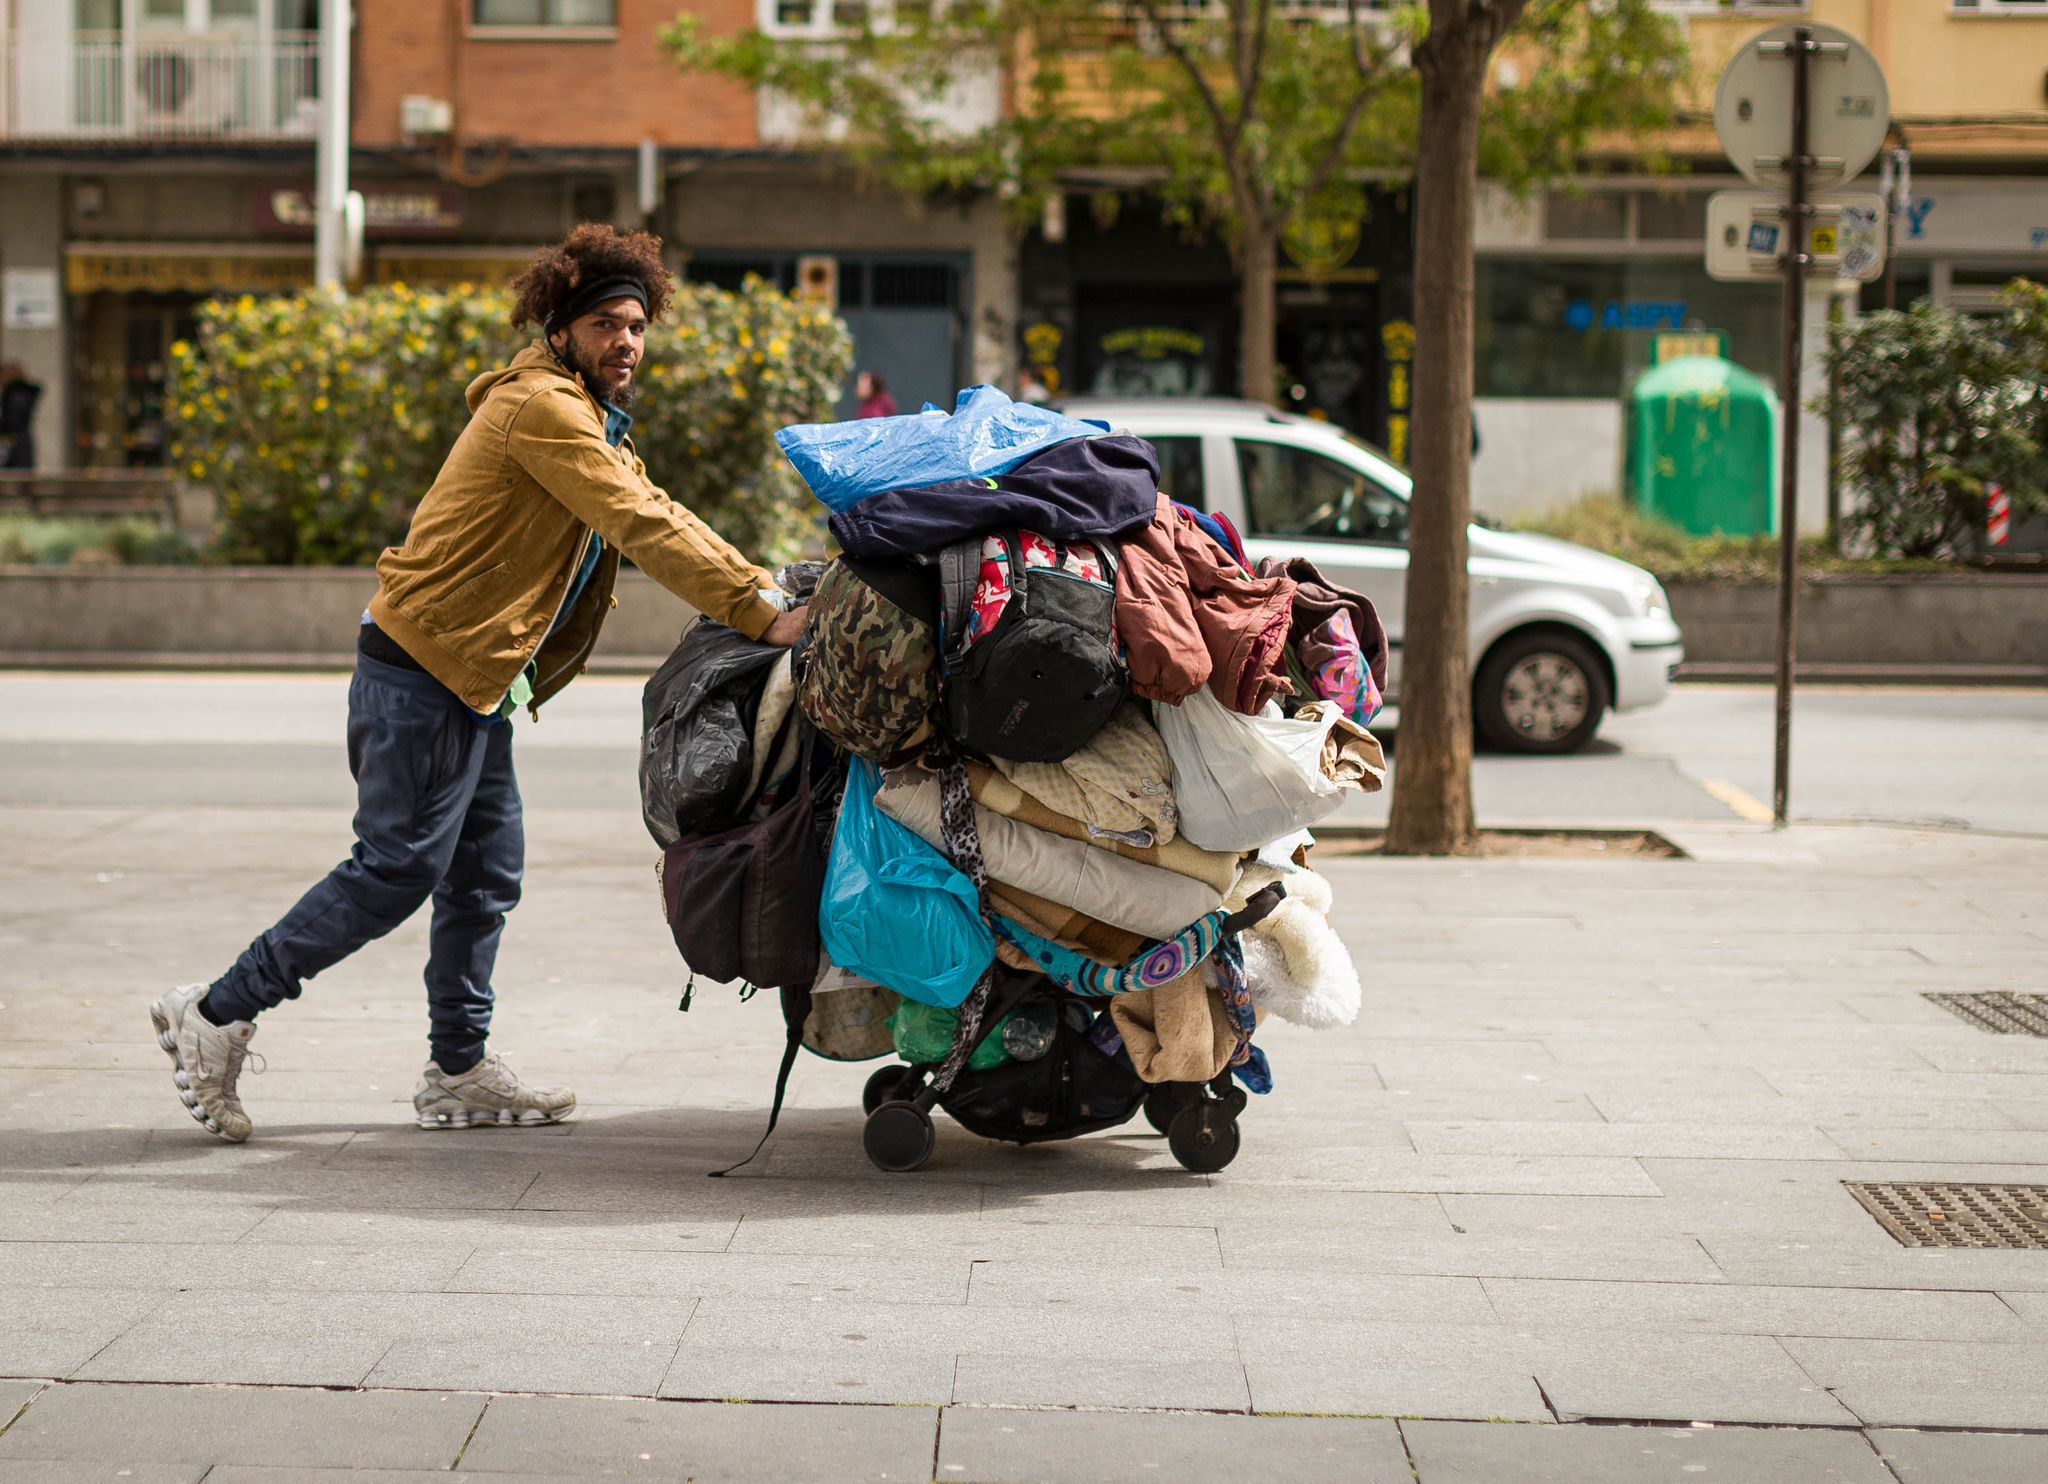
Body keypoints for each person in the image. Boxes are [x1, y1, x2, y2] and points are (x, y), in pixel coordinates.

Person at [150, 225, 809, 1142]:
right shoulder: (542, 409)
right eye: (608, 324)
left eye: (638, 325)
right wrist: (756, 607)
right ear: (562, 327)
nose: (627, 341)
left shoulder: (587, 413)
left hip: (473, 679)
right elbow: (636, 520)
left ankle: (457, 1068)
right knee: (395, 870)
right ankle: (219, 1010)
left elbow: (654, 507)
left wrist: (767, 588)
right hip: (425, 671)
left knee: (484, 877)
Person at [0, 362, 40, 470]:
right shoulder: (20, 394)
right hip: (18, 442)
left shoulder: (15, 396)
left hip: (14, 443)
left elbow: (12, 422)